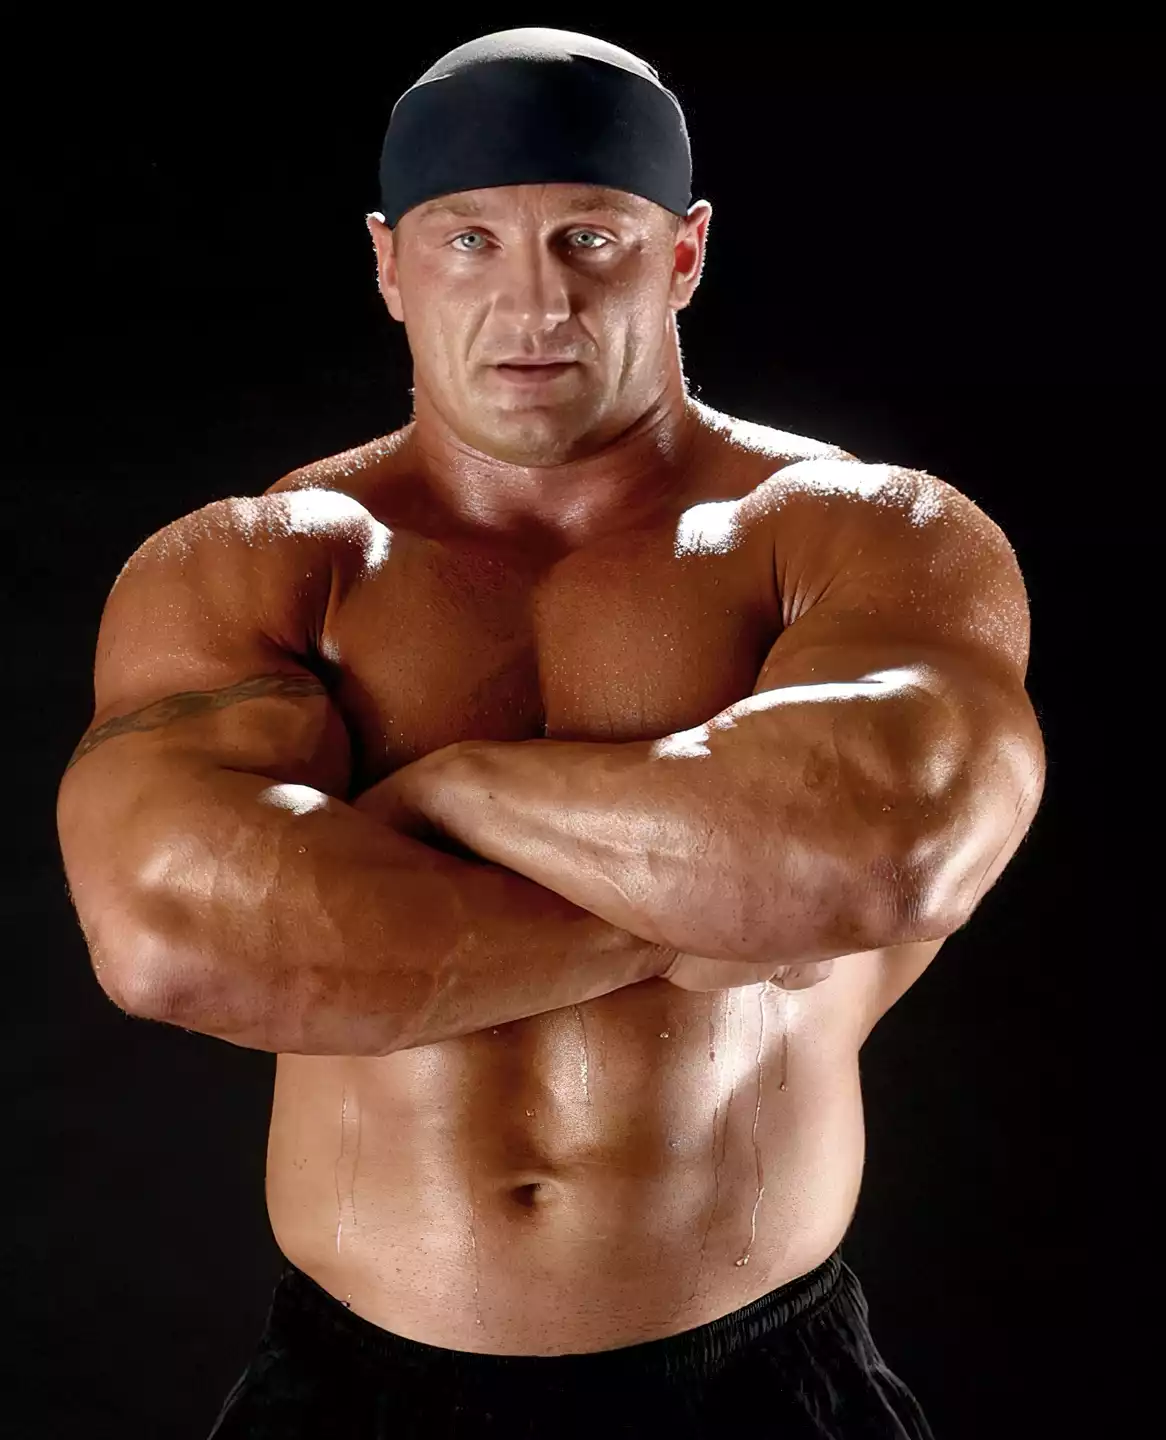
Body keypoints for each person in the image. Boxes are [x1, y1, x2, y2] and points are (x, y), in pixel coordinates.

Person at [53, 27, 1045, 1439]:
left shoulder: (855, 535)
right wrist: (710, 906)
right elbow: (176, 937)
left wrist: (448, 790)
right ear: (390, 264)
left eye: (591, 239)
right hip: (356, 1389)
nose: (536, 302)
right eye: (470, 241)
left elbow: (877, 852)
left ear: (681, 255)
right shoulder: (263, 562)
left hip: (759, 1379)